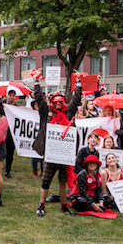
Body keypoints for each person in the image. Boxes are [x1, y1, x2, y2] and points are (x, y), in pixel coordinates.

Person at [33, 81, 82, 217]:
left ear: (64, 101)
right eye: (56, 101)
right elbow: (39, 99)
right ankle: (41, 206)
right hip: (50, 154)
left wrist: (78, 83)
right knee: (46, 181)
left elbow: (76, 100)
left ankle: (64, 206)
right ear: (52, 102)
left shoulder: (68, 112)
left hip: (64, 155)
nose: (59, 103)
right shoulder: (46, 111)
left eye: (61, 101)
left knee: (63, 182)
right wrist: (37, 82)